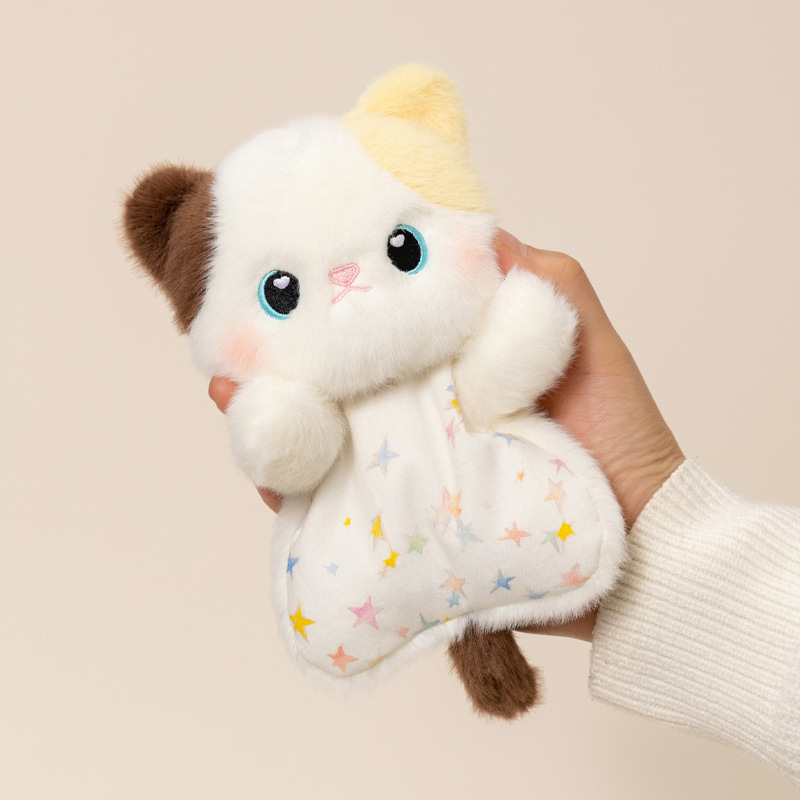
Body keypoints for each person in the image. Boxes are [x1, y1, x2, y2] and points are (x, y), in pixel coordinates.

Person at [209, 231, 800, 787]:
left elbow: (504, 373)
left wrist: (527, 331)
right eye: (284, 293)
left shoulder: (446, 355)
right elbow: (289, 449)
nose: (346, 283)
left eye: (402, 248)